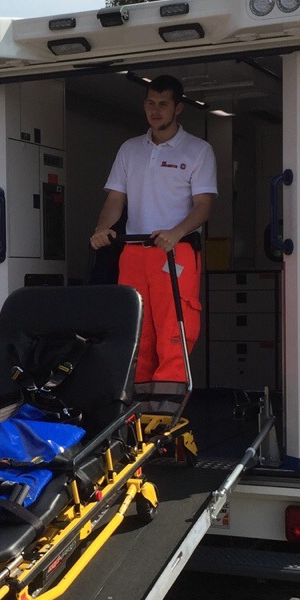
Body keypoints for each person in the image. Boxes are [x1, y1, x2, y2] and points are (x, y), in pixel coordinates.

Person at [90, 75, 217, 407]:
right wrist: (102, 229)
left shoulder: (198, 150)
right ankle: (137, 411)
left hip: (175, 251)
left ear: (178, 108)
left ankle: (167, 414)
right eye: (150, 103)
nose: (155, 110)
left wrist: (176, 232)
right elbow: (115, 199)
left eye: (163, 103)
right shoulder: (130, 149)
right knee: (137, 331)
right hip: (133, 252)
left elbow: (203, 206)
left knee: (173, 330)